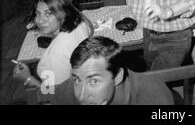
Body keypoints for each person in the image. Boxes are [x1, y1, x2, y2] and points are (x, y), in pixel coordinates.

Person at [35, 36, 174, 105]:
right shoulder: (74, 87)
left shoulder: (153, 96)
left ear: (118, 76)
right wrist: (28, 80)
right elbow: (48, 94)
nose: (81, 95)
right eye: (77, 79)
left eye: (94, 81)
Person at [13, 0, 94, 87]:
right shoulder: (81, 23)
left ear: (64, 13)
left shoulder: (54, 55)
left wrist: (27, 78)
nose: (40, 20)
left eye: (48, 14)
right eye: (37, 14)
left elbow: (52, 95)